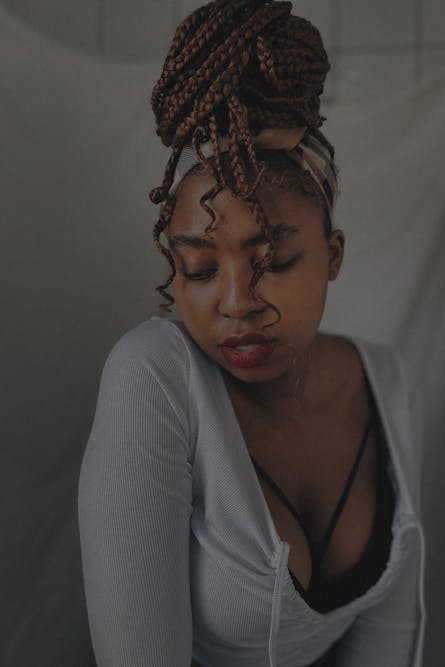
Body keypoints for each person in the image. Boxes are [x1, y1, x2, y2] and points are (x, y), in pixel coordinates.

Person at [77, 1, 426, 665]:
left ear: (334, 254)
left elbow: (387, 637)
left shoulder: (388, 383)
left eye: (274, 262)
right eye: (200, 267)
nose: (235, 303)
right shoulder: (154, 377)